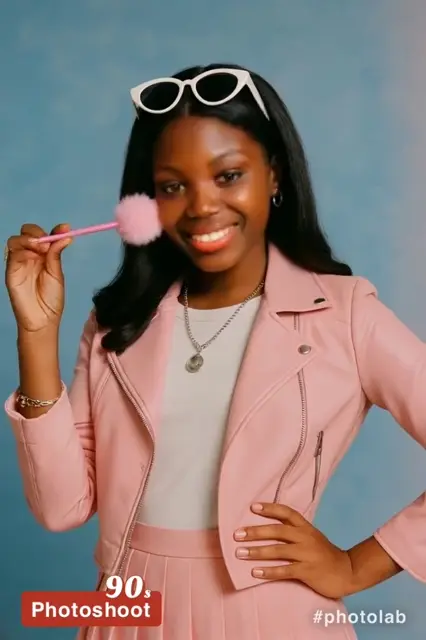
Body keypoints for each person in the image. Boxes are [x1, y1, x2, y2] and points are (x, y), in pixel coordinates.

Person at [3, 63, 426, 640]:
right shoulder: (117, 324)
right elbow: (61, 508)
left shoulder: (345, 315)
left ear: (274, 174)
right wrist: (35, 335)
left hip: (274, 615)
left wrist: (357, 566)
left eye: (228, 176)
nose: (201, 206)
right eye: (173, 186)